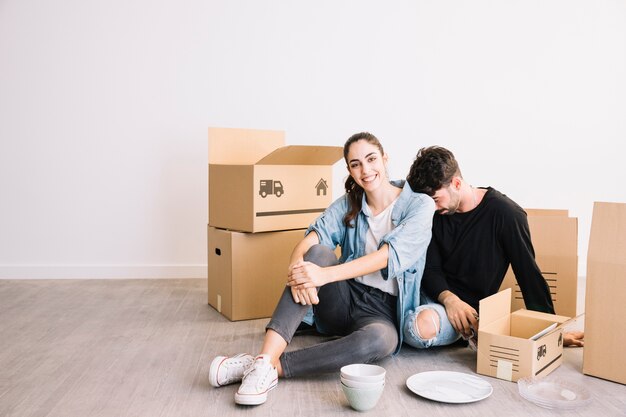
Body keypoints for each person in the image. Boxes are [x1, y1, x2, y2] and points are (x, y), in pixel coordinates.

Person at [208, 132, 435, 406]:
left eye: (371, 159)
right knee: (317, 253)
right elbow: (313, 238)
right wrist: (297, 269)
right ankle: (265, 359)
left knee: (381, 341)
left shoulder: (420, 205)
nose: (365, 170)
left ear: (385, 158)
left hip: (383, 312)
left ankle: (267, 368)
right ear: (350, 170)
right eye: (355, 164)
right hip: (342, 299)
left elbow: (388, 256)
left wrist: (323, 275)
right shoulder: (350, 202)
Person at [403, 146, 584, 350]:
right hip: (431, 293)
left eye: (436, 200)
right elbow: (430, 268)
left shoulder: (506, 215)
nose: (433, 208)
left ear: (456, 183)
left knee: (417, 328)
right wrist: (449, 299)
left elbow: (529, 276)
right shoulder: (433, 212)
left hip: (461, 311)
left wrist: (552, 333)